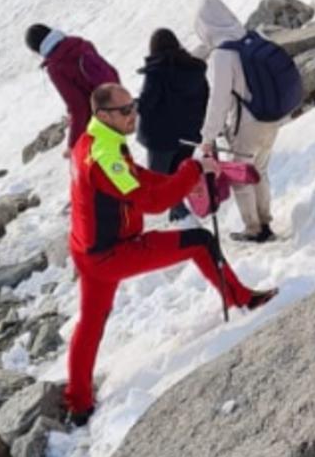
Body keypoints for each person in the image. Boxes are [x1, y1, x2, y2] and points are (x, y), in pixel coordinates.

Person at [65, 83, 275, 424]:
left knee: (90, 324)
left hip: (88, 249)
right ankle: (243, 299)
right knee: (200, 242)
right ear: (103, 115)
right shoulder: (103, 156)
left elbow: (138, 179)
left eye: (133, 105)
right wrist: (192, 172)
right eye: (125, 111)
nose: (134, 114)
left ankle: (79, 403)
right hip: (112, 253)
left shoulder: (95, 140)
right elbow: (152, 202)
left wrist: (182, 176)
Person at [195, 0, 282, 242]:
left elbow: (219, 100)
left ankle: (255, 229)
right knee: (260, 170)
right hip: (270, 118)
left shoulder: (223, 54)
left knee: (240, 175)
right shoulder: (253, 39)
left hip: (247, 125)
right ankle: (265, 222)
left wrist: (208, 136)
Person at [136, 29, 210, 223]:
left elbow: (146, 104)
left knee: (159, 180)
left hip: (161, 138)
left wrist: (132, 105)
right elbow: (205, 99)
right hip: (188, 135)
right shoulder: (195, 69)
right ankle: (180, 214)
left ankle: (182, 216)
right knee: (181, 175)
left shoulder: (157, 73)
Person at [27, 24, 121, 149]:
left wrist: (73, 145)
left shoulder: (56, 67)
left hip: (101, 121)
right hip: (119, 101)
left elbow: (78, 107)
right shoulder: (80, 43)